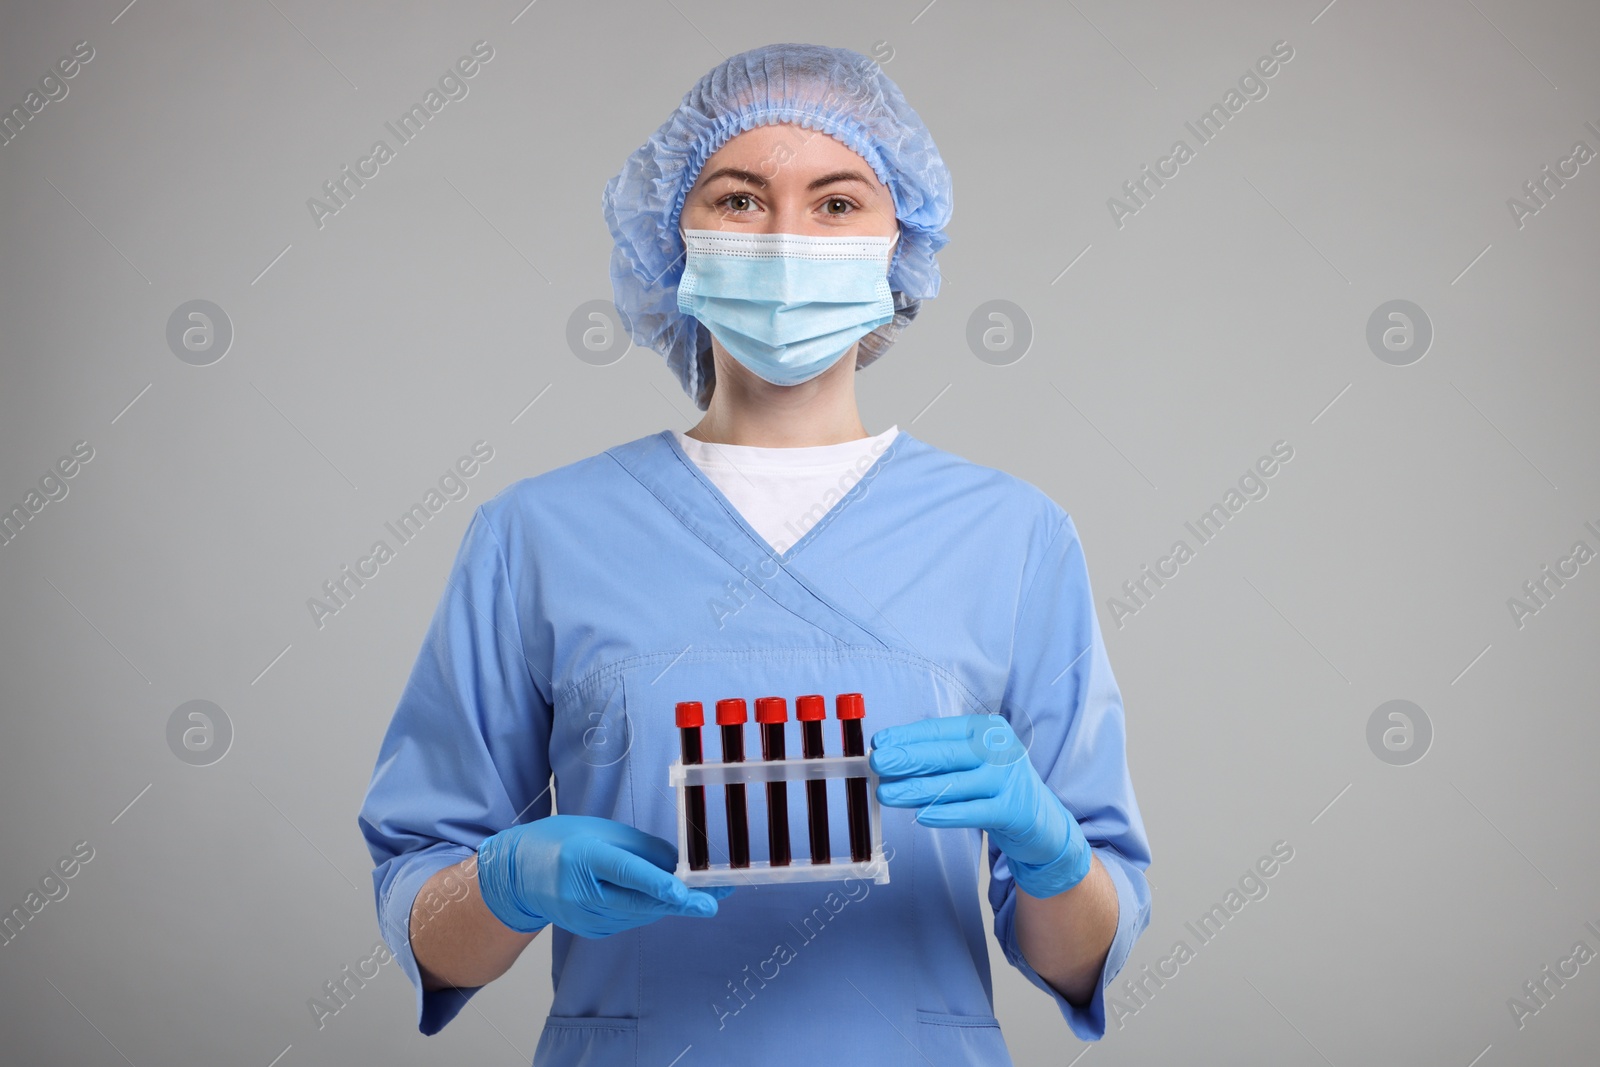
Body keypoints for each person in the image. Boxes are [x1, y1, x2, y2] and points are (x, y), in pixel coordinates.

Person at [357, 42, 1151, 1065]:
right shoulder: (536, 535)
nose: (786, 237)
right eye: (738, 199)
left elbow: (1083, 957)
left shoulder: (1013, 536)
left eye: (836, 203)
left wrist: (1048, 851)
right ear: (672, 236)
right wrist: (507, 882)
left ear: (896, 239)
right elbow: (431, 931)